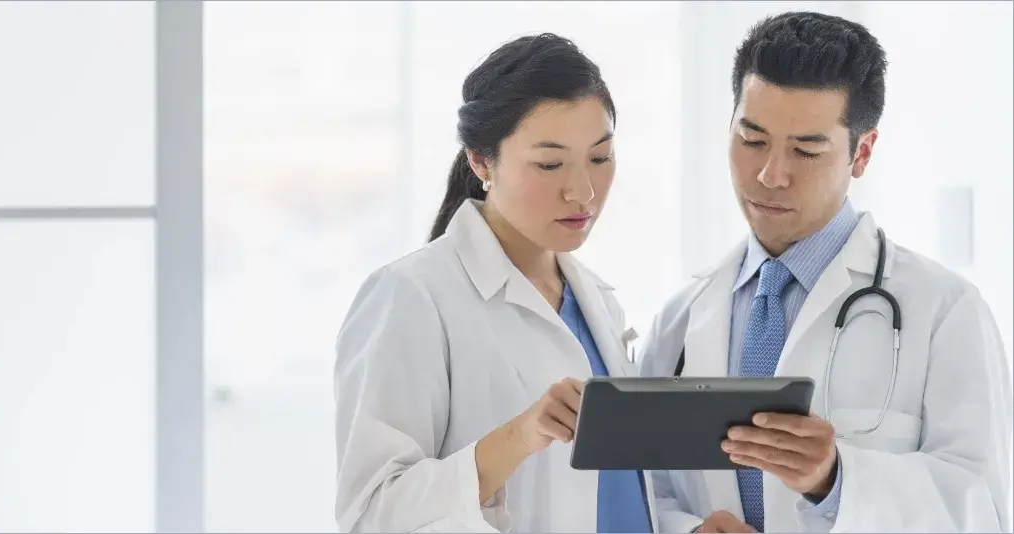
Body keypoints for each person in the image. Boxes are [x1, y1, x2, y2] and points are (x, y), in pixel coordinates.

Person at [638, 12, 1011, 533]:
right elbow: (644, 490)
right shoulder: (681, 318)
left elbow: (983, 511)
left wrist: (836, 481)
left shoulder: (947, 311)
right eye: (752, 140)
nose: (770, 174)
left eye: (806, 150)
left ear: (861, 153)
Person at [333, 34, 652, 533]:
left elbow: (610, 494)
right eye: (550, 164)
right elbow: (371, 513)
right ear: (481, 162)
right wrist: (521, 435)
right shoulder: (411, 296)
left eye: (600, 157)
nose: (583, 191)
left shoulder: (599, 305)